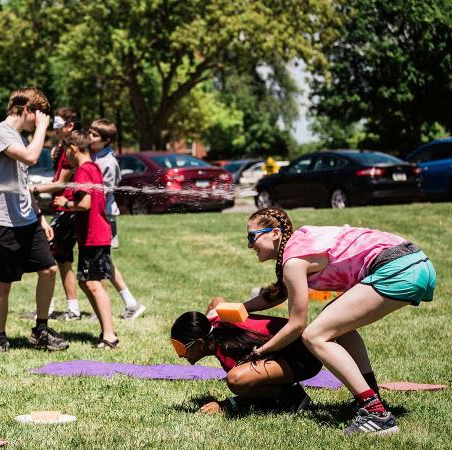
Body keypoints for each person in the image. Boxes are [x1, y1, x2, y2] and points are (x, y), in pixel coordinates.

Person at [209, 207, 435, 435]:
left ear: (275, 233)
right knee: (335, 325)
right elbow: (278, 294)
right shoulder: (298, 246)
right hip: (417, 263)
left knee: (314, 335)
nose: (249, 245)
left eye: (252, 237)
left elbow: (297, 325)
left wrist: (260, 352)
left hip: (398, 269)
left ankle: (376, 413)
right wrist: (230, 310)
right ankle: (370, 397)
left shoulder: (293, 261)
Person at [0, 87, 68, 353]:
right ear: (28, 110)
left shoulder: (17, 136)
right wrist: (42, 129)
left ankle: (41, 329)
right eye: (39, 115)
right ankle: (0, 337)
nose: (40, 122)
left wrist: (39, 216)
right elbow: (30, 157)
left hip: (26, 219)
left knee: (49, 270)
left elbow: (24, 183)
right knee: (4, 283)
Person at [171, 310, 321, 414]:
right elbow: (217, 301)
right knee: (240, 378)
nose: (180, 355)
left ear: (199, 343)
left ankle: (291, 396)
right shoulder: (215, 325)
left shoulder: (230, 347)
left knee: (236, 379)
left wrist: (227, 404)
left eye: (181, 348)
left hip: (306, 356)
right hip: (296, 352)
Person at [53, 130, 118, 348]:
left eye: (65, 153)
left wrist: (64, 203)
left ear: (72, 149)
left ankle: (110, 336)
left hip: (94, 236)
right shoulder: (94, 168)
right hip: (95, 235)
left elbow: (84, 204)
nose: (65, 158)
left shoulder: (82, 171)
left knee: (93, 283)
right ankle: (106, 330)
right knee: (85, 281)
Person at [88, 119, 145, 319]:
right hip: (96, 215)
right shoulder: (94, 156)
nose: (90, 137)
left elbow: (103, 192)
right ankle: (130, 303)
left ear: (106, 140)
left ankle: (104, 309)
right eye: (90, 132)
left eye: (95, 135)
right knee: (104, 261)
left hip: (105, 216)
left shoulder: (108, 162)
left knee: (101, 262)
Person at [35, 107, 81, 320]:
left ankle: (54, 308)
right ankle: (69, 308)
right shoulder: (63, 149)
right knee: (62, 260)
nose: (55, 131)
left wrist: (32, 189)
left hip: (66, 209)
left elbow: (61, 183)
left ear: (70, 126)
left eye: (57, 126)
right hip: (61, 209)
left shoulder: (72, 149)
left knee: (49, 259)